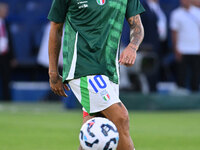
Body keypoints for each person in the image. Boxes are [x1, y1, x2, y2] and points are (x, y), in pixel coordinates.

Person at [48, 0, 145, 150]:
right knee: (120, 117)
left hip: (110, 71)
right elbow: (56, 27)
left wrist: (133, 46)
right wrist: (53, 72)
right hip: (81, 66)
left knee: (93, 128)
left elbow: (136, 25)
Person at [170, 0, 200, 92]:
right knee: (181, 76)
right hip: (182, 50)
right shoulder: (176, 14)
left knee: (195, 77)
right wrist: (176, 49)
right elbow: (174, 33)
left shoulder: (198, 12)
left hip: (196, 50)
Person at [0, 2, 15, 101]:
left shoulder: (7, 23)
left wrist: (12, 57)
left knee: (6, 78)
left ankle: (7, 99)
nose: (6, 12)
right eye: (4, 10)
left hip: (5, 55)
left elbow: (11, 41)